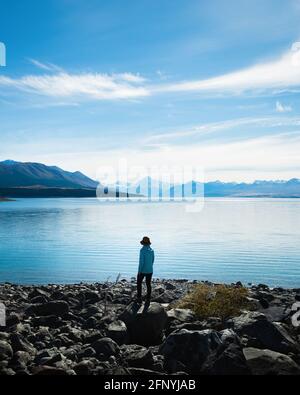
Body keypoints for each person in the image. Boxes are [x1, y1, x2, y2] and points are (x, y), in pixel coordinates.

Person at [137, 236, 155, 303]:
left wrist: (139, 271)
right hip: (150, 270)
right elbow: (153, 260)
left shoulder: (142, 250)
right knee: (148, 284)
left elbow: (141, 262)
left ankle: (139, 298)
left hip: (143, 270)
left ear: (143, 243)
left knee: (139, 283)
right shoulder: (152, 250)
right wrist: (149, 267)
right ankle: (148, 299)